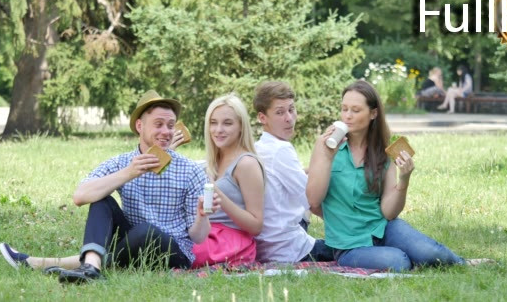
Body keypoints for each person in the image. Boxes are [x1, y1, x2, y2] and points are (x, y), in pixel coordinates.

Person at [0, 90, 218, 283]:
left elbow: (198, 238)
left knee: (145, 231)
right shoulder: (122, 163)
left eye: (170, 125)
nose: (166, 132)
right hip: (131, 243)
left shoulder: (190, 170)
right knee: (101, 198)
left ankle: (49, 263)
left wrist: (202, 215)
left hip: (173, 252)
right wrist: (129, 173)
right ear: (140, 126)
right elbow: (80, 195)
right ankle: (91, 267)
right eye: (158, 124)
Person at [306, 80, 490, 271]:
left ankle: (462, 263)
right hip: (348, 247)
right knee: (398, 261)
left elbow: (388, 212)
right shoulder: (326, 146)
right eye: (344, 109)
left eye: (355, 110)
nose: (347, 116)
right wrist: (327, 158)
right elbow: (313, 200)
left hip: (382, 229)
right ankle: (412, 261)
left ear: (373, 113)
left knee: (431, 253)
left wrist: (404, 179)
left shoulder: (383, 151)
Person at [252, 81, 333, 263]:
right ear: (262, 118)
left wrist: (312, 171)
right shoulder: (281, 150)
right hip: (288, 250)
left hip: (265, 245)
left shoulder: (260, 147)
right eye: (280, 112)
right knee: (350, 249)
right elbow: (313, 201)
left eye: (291, 109)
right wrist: (350, 229)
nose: (289, 118)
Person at [190, 94, 265, 268]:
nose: (218, 130)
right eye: (213, 123)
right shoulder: (211, 162)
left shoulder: (246, 163)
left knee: (176, 249)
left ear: (241, 127)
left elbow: (256, 226)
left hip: (231, 242)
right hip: (205, 233)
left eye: (227, 123)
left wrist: (218, 195)